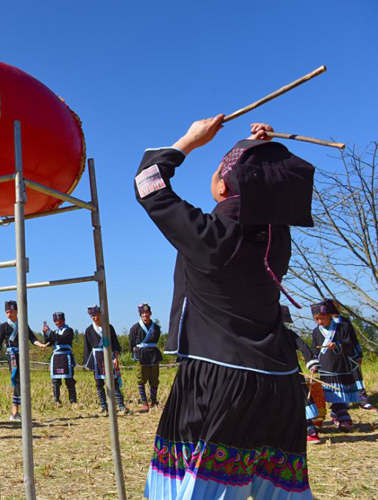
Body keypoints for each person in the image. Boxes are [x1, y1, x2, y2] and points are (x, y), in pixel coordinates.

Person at [136, 117, 315, 499]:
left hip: (220, 380)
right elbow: (265, 195)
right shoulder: (277, 237)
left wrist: (188, 140)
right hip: (281, 382)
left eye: (219, 170)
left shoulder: (210, 237)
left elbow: (148, 184)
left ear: (221, 186)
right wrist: (256, 151)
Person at [310, 300, 360, 431]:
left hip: (342, 366)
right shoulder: (316, 332)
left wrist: (338, 345)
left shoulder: (343, 327)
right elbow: (314, 350)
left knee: (342, 394)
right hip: (327, 368)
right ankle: (341, 415)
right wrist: (313, 363)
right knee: (335, 395)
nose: (320, 322)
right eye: (317, 320)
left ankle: (341, 415)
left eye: (322, 318)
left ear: (329, 315)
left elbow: (350, 344)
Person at [0, 300, 47, 422]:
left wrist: (40, 345)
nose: (8, 314)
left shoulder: (23, 324)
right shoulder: (3, 327)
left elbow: (32, 338)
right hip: (12, 356)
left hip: (22, 355)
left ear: (17, 311)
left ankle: (17, 411)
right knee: (18, 380)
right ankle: (15, 412)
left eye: (11, 312)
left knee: (23, 381)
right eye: (6, 312)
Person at [281, 305, 324, 445]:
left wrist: (311, 362)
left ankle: (310, 430)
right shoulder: (264, 335)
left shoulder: (288, 334)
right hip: (274, 376)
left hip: (292, 373)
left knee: (301, 400)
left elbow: (304, 348)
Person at [328, 299, 376, 411]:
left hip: (350, 355)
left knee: (356, 377)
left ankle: (363, 399)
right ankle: (342, 403)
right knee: (339, 380)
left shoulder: (345, 321)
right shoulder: (327, 325)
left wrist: (359, 354)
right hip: (335, 358)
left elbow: (353, 339)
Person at [83, 305, 127, 415]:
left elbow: (115, 344)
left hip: (108, 356)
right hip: (96, 359)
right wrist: (88, 363)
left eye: (96, 315)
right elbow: (87, 348)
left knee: (114, 382)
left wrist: (116, 358)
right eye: (93, 316)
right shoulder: (89, 330)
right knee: (99, 383)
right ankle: (104, 407)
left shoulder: (108, 327)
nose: (95, 317)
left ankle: (121, 406)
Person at [128, 303, 162, 410]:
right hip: (142, 356)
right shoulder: (135, 328)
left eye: (147, 313)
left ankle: (154, 401)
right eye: (143, 313)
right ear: (140, 315)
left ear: (150, 314)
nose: (145, 315)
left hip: (153, 355)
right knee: (141, 379)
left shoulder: (156, 328)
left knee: (154, 379)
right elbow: (132, 343)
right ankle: (144, 402)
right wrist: (135, 353)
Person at [42, 312, 77, 404]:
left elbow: (60, 339)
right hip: (56, 356)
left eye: (59, 320)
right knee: (56, 380)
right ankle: (56, 399)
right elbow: (49, 342)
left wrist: (50, 333)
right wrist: (45, 333)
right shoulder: (55, 332)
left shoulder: (69, 330)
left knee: (69, 379)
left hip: (66, 355)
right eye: (55, 321)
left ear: (63, 320)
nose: (57, 322)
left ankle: (73, 399)